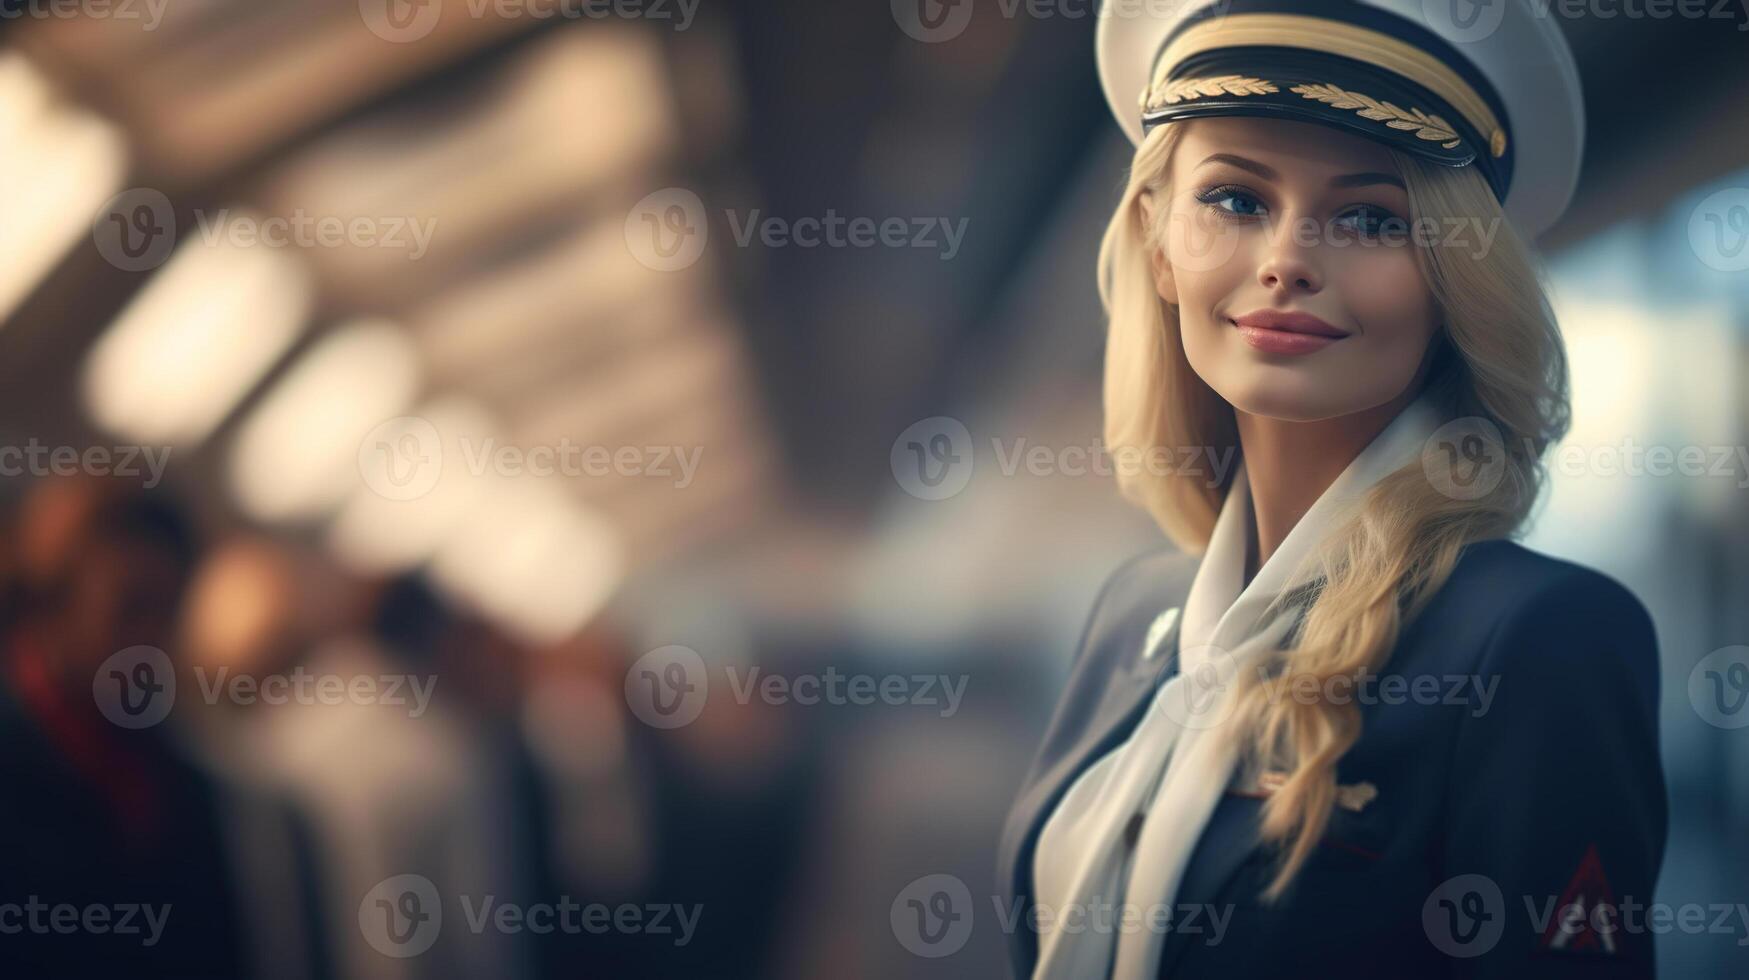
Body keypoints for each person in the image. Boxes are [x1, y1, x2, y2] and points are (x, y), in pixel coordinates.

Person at [996, 1, 1666, 977]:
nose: (1286, 261)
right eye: (1234, 199)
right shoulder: (1132, 614)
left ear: (1453, 274)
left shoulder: (1537, 640)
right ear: (1156, 238)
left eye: (1368, 217)